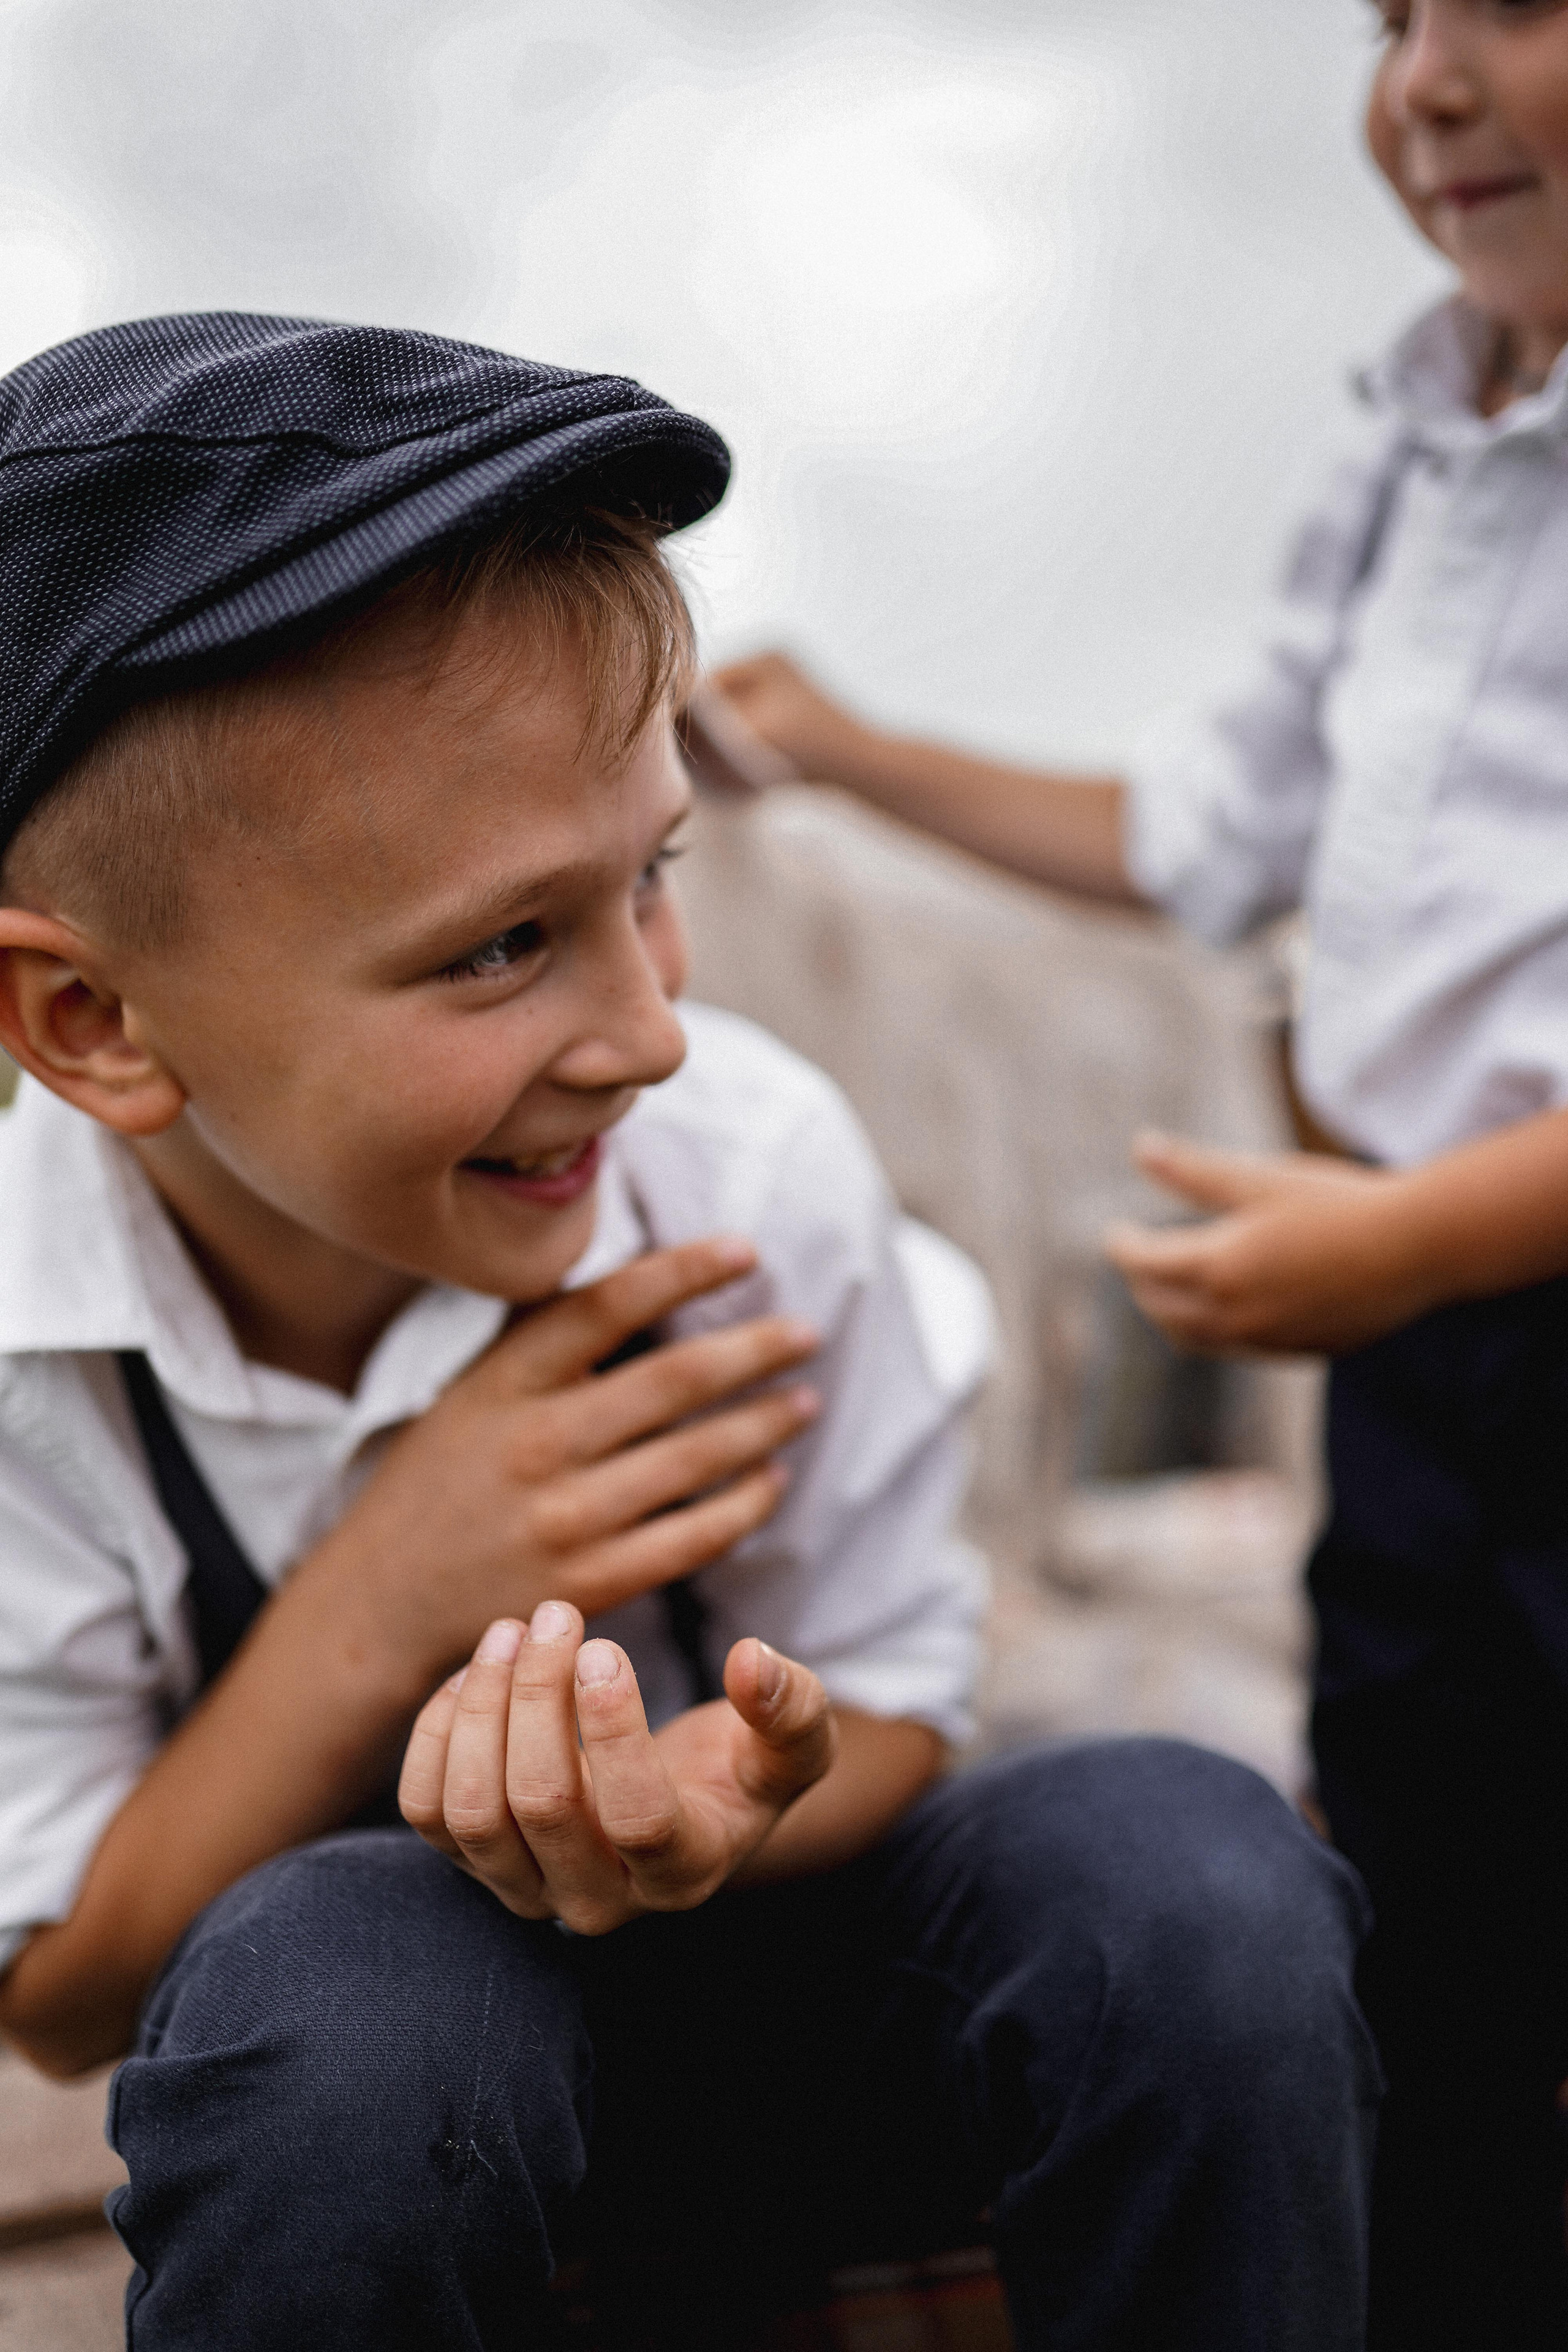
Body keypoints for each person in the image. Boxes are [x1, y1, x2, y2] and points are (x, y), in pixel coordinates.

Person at [0, 314, 1376, 2352]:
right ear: (99, 1027)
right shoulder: (40, 1353)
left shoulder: (742, 1168)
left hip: (830, 1983)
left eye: (653, 878)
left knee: (1185, 1864)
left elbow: (902, 1683)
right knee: (337, 2001)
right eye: (501, 946)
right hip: (417, 2088)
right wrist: (383, 1597)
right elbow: (69, 1995)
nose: (648, 1033)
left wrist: (723, 1806)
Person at [712, 6, 1568, 2345]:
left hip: (1465, 1267)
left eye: (1510, 3)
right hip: (1426, 1356)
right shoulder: (1408, 453)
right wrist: (855, 748)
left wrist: (1400, 1231)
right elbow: (1205, 839)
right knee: (1441, 1901)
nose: (1429, 82)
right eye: (1389, 20)